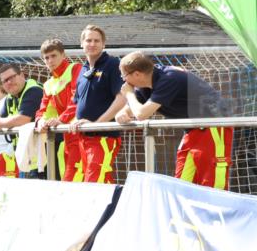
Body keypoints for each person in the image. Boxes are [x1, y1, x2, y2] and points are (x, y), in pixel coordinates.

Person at [117, 52, 234, 189]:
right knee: (182, 182)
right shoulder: (146, 85)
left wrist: (129, 94)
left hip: (213, 125)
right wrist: (123, 113)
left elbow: (142, 114)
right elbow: (132, 108)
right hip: (193, 130)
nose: (124, 81)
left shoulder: (168, 78)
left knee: (212, 180)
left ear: (137, 74)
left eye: (124, 76)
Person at [71, 25, 126, 184]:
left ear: (103, 44)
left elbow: (122, 98)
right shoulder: (83, 69)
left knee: (95, 183)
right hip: (83, 137)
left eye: (97, 40)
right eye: (88, 40)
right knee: (98, 182)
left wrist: (97, 124)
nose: (92, 44)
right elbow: (78, 103)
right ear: (82, 44)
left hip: (103, 137)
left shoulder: (112, 64)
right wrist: (75, 120)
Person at [0, 63, 43, 177]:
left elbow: (23, 119)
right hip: (30, 156)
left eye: (12, 77)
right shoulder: (10, 97)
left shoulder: (33, 90)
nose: (9, 82)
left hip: (46, 153)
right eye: (5, 81)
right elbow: (1, 119)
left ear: (22, 75)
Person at [33, 39, 83, 182]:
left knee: (74, 181)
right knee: (66, 181)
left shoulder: (76, 69)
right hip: (66, 137)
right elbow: (41, 110)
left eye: (53, 55)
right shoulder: (48, 84)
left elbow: (77, 100)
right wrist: (41, 121)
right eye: (46, 58)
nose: (50, 60)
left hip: (83, 135)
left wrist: (61, 119)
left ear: (63, 54)